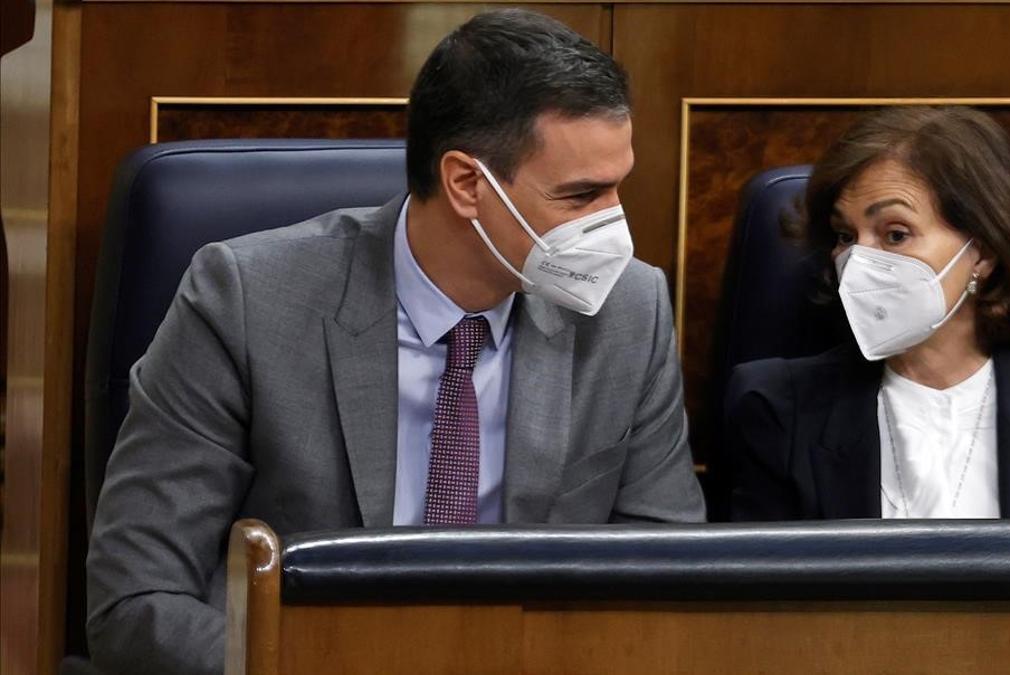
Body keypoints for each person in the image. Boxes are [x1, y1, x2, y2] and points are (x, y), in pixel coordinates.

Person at [86, 10, 705, 674]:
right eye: (581, 194)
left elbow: (666, 579)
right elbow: (138, 598)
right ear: (468, 184)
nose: (613, 224)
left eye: (618, 187)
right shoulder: (243, 300)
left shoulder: (627, 309)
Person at [726, 106, 1010, 522]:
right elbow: (759, 605)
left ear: (984, 253)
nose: (858, 262)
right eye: (846, 236)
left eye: (894, 235)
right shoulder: (779, 407)